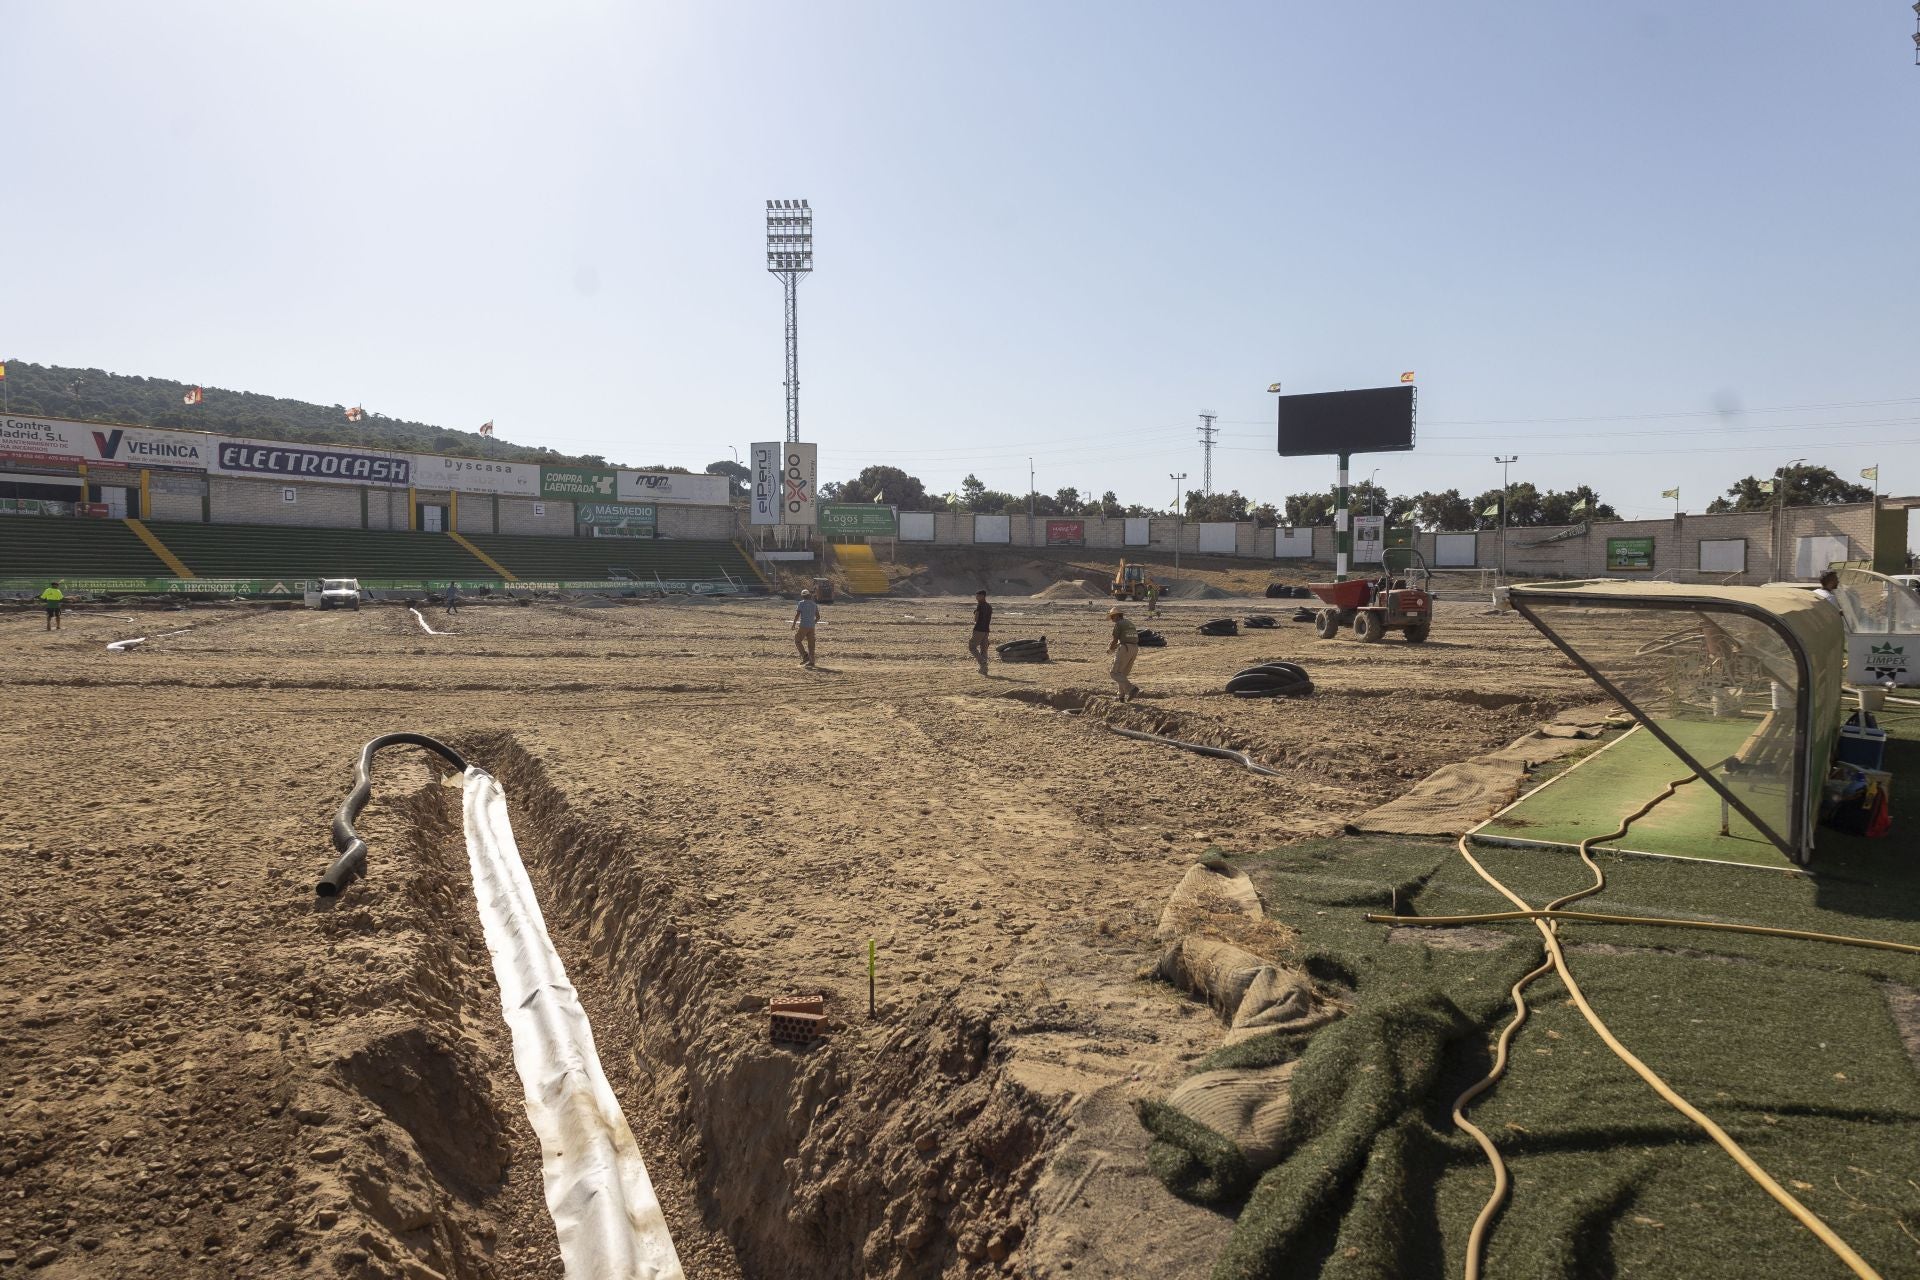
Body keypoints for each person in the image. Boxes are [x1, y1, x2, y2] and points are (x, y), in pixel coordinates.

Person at [1107, 605, 1141, 701]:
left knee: (1114, 673)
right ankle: (1120, 696)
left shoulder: (1119, 624)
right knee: (1122, 674)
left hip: (1125, 649)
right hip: (1134, 648)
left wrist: (1111, 649)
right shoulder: (1129, 623)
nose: (1112, 619)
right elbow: (1128, 638)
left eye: (1112, 617)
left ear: (1117, 616)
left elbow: (1115, 640)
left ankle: (1132, 689)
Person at [792, 589, 819, 668]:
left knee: (797, 640)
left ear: (802, 596)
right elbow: (818, 617)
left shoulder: (801, 603)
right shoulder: (814, 604)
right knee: (811, 645)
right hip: (812, 627)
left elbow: (797, 615)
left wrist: (794, 624)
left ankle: (805, 656)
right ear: (809, 595)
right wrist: (813, 623)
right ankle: (812, 661)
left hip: (803, 626)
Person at [969, 589, 992, 675]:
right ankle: (984, 669)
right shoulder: (989, 606)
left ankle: (982, 661)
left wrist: (975, 613)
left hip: (979, 629)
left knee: (972, 647)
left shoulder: (980, 605)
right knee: (984, 649)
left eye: (978, 596)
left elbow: (976, 619)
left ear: (983, 596)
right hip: (986, 630)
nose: (976, 597)